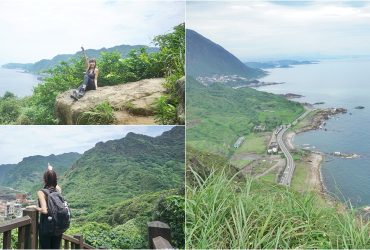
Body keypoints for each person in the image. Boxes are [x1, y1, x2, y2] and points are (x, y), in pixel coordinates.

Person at [27, 164, 63, 249]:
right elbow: (55, 184)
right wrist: (51, 171)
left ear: (44, 180)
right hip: (57, 227)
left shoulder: (41, 192)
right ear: (55, 179)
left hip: (46, 228)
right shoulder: (58, 190)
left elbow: (44, 210)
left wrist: (35, 207)